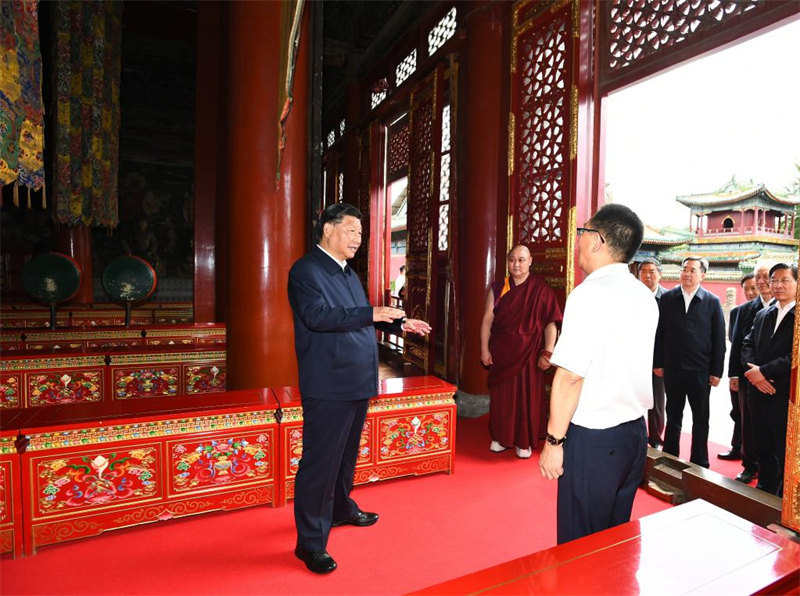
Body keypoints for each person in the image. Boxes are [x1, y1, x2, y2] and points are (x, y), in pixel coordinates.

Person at [288, 202, 431, 574]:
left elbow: (360, 316)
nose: (357, 239)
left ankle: (340, 508)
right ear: (328, 230)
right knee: (320, 462)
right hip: (328, 381)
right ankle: (310, 543)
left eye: (360, 233)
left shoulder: (348, 273)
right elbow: (318, 317)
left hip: (356, 379)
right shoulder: (306, 271)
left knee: (346, 456)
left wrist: (399, 324)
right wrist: (371, 313)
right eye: (351, 231)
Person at [539, 204, 658, 544]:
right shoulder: (644, 295)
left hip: (595, 438)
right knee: (613, 539)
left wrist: (554, 442)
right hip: (634, 434)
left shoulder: (589, 294)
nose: (577, 240)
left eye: (582, 232)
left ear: (598, 240)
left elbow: (570, 376)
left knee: (581, 543)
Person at [480, 245, 562, 458]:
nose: (516, 264)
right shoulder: (499, 288)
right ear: (507, 262)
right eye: (512, 259)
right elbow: (487, 320)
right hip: (502, 351)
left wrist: (548, 352)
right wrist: (484, 349)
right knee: (502, 398)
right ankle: (500, 437)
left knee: (527, 397)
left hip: (529, 353)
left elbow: (550, 323)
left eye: (521, 260)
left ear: (530, 261)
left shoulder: (541, 289)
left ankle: (523, 441)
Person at [653, 257, 726, 468]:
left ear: (703, 275)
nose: (687, 273)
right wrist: (658, 362)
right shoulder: (668, 298)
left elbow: (719, 338)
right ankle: (670, 456)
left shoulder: (712, 301)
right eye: (684, 269)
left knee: (700, 418)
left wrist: (717, 371)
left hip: (700, 371)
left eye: (693, 270)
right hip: (673, 368)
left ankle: (700, 461)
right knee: (673, 415)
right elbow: (660, 333)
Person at [741, 263, 796, 496]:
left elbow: (794, 355)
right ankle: (764, 491)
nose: (778, 285)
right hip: (757, 391)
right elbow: (747, 344)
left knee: (784, 449)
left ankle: (785, 498)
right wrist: (756, 375)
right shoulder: (763, 314)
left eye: (785, 280)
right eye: (774, 280)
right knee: (762, 445)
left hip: (783, 393)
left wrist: (765, 372)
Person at [728, 263, 773, 484]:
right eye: (759, 277)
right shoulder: (745, 310)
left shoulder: (787, 306)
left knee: (773, 427)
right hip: (748, 377)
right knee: (748, 423)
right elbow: (739, 344)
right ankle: (749, 465)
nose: (762, 281)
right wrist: (735, 374)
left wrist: (766, 372)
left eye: (767, 276)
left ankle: (771, 469)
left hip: (777, 379)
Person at [718, 272, 758, 461]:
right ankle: (736, 447)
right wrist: (732, 375)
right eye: (747, 289)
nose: (750, 292)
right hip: (741, 372)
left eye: (753, 288)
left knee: (754, 417)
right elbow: (735, 345)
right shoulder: (738, 311)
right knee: (738, 412)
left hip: (763, 372)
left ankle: (751, 457)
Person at [637, 257, 666, 448]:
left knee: (656, 401)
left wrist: (661, 362)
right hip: (636, 357)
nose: (648, 276)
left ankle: (655, 438)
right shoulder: (632, 296)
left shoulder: (669, 298)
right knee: (634, 397)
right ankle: (637, 436)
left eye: (652, 271)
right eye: (644, 272)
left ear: (660, 274)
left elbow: (670, 335)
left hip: (658, 359)